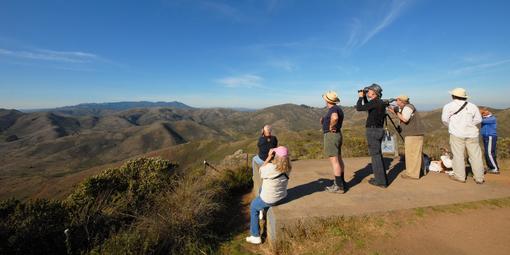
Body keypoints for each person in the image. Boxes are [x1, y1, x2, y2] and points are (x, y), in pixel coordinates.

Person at [246, 146, 292, 244]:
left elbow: (260, 171)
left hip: (269, 199)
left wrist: (268, 157)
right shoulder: (288, 168)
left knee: (253, 206)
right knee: (262, 188)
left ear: (276, 157)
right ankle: (262, 210)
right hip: (282, 197)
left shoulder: (270, 168)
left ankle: (255, 236)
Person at [441, 88, 485, 184]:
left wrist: (453, 125)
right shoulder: (473, 106)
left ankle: (460, 176)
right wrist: (469, 125)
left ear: (453, 96)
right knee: (476, 156)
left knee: (458, 155)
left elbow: (444, 120)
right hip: (472, 134)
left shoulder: (448, 106)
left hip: (456, 133)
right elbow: (478, 119)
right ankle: (479, 178)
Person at [356, 84, 388, 188]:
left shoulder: (375, 102)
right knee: (378, 155)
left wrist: (360, 97)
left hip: (373, 131)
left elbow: (359, 108)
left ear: (374, 92)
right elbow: (368, 107)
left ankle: (380, 182)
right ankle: (381, 179)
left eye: (369, 91)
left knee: (375, 157)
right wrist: (365, 97)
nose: (367, 92)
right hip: (378, 130)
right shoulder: (379, 102)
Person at [387, 95, 425, 179]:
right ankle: (420, 171)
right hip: (413, 134)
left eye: (397, 100)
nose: (396, 102)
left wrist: (396, 112)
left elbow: (405, 119)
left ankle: (412, 174)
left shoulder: (408, 107)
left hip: (413, 134)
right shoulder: (406, 107)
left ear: (401, 101)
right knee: (414, 153)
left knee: (412, 154)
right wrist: (392, 110)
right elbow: (402, 114)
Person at [320, 91, 347, 193]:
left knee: (334, 161)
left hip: (331, 136)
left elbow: (335, 118)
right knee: (339, 159)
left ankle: (339, 187)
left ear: (327, 100)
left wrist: (331, 126)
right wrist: (324, 121)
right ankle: (342, 183)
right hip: (337, 135)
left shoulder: (333, 109)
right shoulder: (337, 108)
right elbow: (335, 117)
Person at [480, 108, 500, 174]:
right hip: (486, 137)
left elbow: (481, 121)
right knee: (488, 153)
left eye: (484, 111)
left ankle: (495, 168)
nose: (483, 113)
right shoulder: (486, 118)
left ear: (488, 112)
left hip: (490, 136)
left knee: (489, 153)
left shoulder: (492, 118)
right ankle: (491, 167)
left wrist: (479, 114)